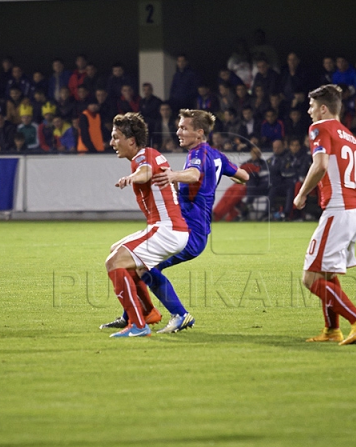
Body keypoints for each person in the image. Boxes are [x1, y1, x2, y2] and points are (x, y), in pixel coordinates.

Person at [101, 109, 249, 334]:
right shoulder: (216, 155)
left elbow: (193, 175)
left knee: (142, 267)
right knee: (137, 264)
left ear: (199, 133)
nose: (178, 131)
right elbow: (244, 177)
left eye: (183, 128)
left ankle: (173, 315)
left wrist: (172, 175)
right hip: (194, 228)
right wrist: (222, 180)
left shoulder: (196, 154)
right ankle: (135, 315)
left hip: (188, 227)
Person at [293, 84, 356, 346]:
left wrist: (301, 194)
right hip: (353, 211)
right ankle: (332, 330)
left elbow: (320, 165)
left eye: (311, 107)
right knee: (327, 274)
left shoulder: (319, 129)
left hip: (338, 212)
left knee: (309, 278)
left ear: (323, 108)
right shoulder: (351, 137)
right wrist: (352, 197)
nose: (309, 112)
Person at [103, 112, 190, 337]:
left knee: (113, 263)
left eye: (115, 137)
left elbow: (146, 172)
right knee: (121, 255)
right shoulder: (148, 155)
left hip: (166, 229)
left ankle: (138, 324)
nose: (112, 142)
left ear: (131, 140)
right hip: (168, 228)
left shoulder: (143, 156)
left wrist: (132, 177)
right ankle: (148, 312)